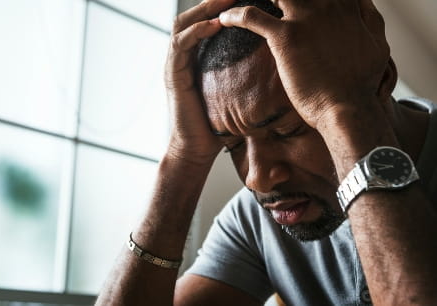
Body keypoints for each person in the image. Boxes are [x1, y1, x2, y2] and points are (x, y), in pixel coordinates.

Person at [96, 0, 437, 305]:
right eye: (233, 145)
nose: (257, 178)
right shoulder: (257, 220)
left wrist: (346, 110)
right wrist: (183, 158)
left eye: (288, 131)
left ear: (381, 82)